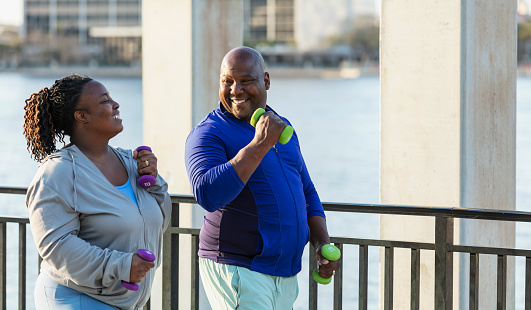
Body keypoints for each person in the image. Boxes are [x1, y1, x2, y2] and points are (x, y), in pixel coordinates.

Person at [184, 46, 340, 309]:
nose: (235, 90)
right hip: (239, 268)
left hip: (284, 273)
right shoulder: (207, 133)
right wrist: (259, 145)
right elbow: (207, 194)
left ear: (266, 81)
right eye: (227, 82)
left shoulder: (281, 126)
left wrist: (321, 242)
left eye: (246, 81)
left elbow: (307, 192)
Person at [23, 74, 172, 310]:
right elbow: (56, 247)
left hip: (122, 302)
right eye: (105, 101)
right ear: (82, 116)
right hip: (74, 299)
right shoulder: (57, 172)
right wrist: (122, 266)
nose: (116, 104)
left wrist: (153, 182)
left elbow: (156, 224)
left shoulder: (131, 162)